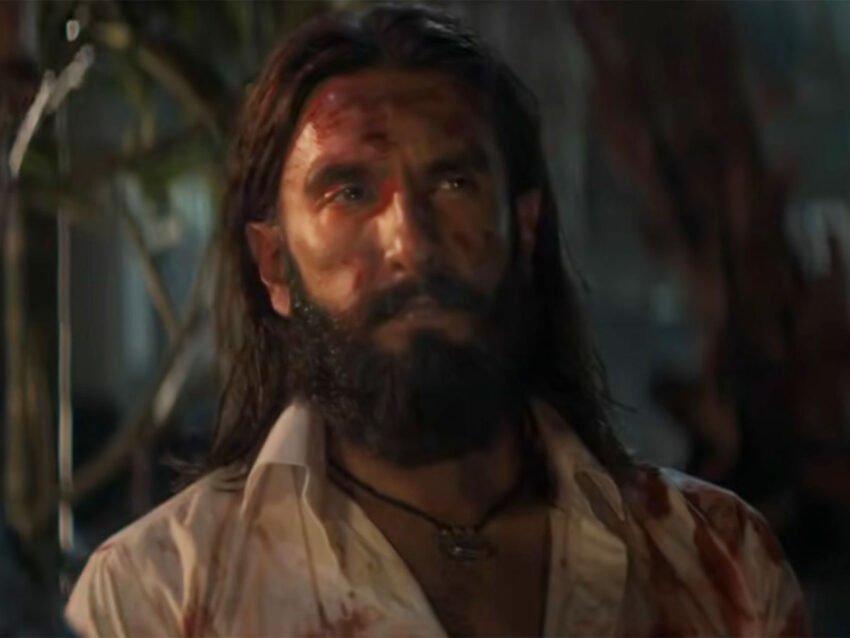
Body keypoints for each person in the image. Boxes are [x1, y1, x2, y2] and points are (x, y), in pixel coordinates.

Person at [66, 6, 809, 637]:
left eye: (454, 182)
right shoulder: (154, 600)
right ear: (274, 267)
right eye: (349, 192)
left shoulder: (718, 566)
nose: (411, 244)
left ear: (524, 232)